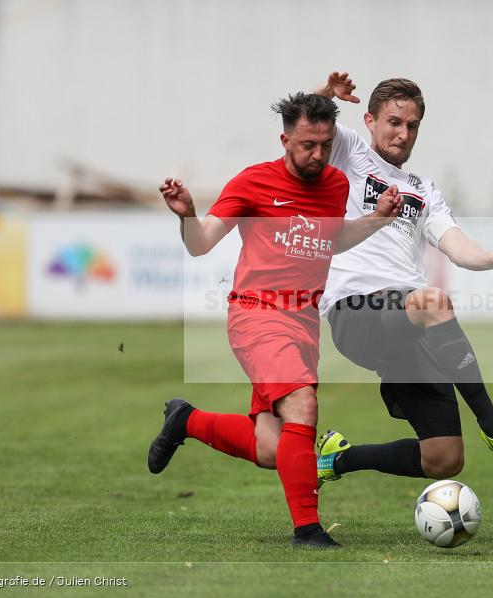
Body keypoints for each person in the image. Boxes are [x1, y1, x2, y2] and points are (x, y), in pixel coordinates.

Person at [147, 92, 401, 548]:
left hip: (304, 320)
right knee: (303, 404)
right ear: (285, 140)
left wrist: (378, 220)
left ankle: (186, 420)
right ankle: (308, 530)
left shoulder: (336, 185)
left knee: (271, 448)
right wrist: (187, 216)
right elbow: (201, 243)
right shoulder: (251, 182)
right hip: (257, 315)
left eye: (325, 144)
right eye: (307, 145)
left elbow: (331, 240)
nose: (318, 154)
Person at [311, 72, 493, 486]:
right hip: (356, 311)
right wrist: (324, 95)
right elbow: (303, 122)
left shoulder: (424, 189)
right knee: (431, 301)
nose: (403, 133)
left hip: (407, 325)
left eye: (412, 125)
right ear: (369, 121)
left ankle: (338, 459)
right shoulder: (347, 152)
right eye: (394, 122)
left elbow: (456, 246)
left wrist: (491, 259)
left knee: (444, 459)